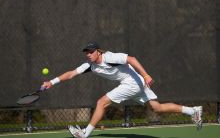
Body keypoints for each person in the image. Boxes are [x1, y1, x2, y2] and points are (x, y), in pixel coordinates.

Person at [41, 42, 203, 138]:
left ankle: (85, 133)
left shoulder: (110, 57)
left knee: (101, 102)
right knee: (157, 107)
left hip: (133, 82)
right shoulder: (90, 66)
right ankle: (193, 111)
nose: (89, 55)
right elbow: (70, 74)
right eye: (87, 53)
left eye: (91, 52)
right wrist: (52, 82)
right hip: (136, 83)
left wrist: (146, 75)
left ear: (98, 51)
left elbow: (131, 59)